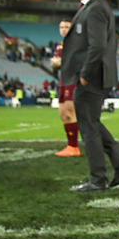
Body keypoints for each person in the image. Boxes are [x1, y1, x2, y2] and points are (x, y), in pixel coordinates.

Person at [63, 0, 119, 192]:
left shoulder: (95, 8)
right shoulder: (94, 7)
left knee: (88, 127)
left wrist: (84, 74)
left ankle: (97, 179)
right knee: (92, 122)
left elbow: (98, 45)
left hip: (92, 77)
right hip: (95, 75)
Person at [50, 20, 80, 157]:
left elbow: (77, 62)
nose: (63, 29)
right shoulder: (60, 45)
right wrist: (55, 64)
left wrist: (61, 62)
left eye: (66, 27)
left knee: (70, 111)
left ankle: (74, 146)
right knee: (63, 113)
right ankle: (70, 144)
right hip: (63, 80)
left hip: (72, 80)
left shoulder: (76, 44)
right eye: (61, 27)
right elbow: (56, 66)